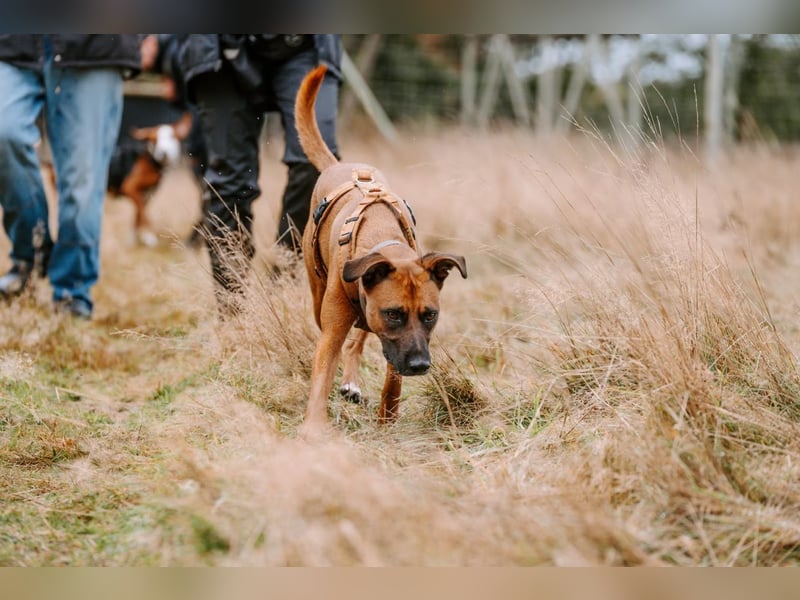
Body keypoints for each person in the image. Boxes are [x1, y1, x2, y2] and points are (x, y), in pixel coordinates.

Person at [172, 34, 342, 315]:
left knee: (316, 163)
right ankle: (233, 308)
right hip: (217, 44)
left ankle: (286, 275)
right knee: (229, 181)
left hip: (303, 45)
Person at [0, 34, 142, 319]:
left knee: (81, 177)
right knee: (5, 132)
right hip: (14, 40)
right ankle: (32, 250)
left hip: (94, 44)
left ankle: (72, 292)